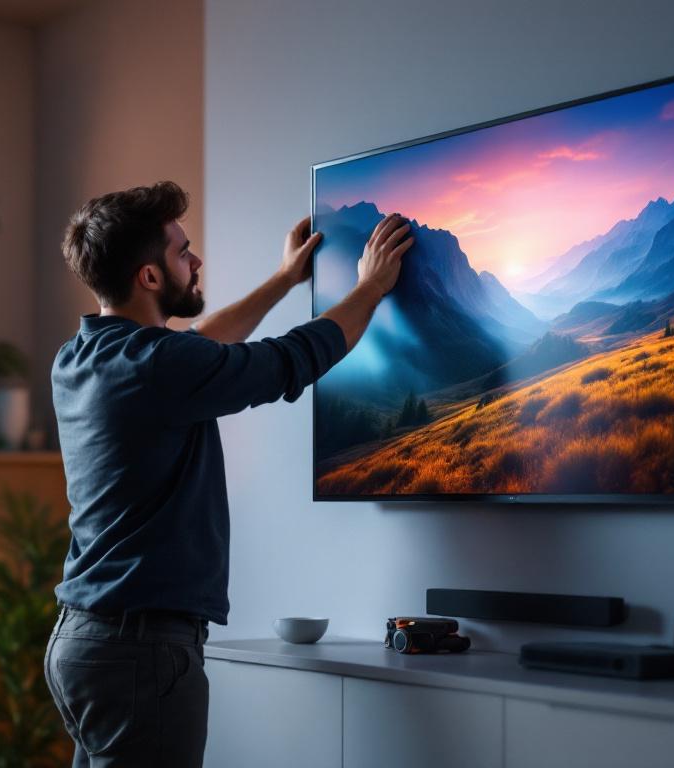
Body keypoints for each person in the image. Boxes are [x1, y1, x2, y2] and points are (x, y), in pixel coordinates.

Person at [43, 180, 413, 767]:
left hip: (84, 643)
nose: (195, 261)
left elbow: (202, 347)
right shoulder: (158, 366)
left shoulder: (83, 357)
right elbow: (287, 360)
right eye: (181, 251)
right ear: (149, 277)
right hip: (142, 651)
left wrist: (286, 279)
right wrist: (369, 289)